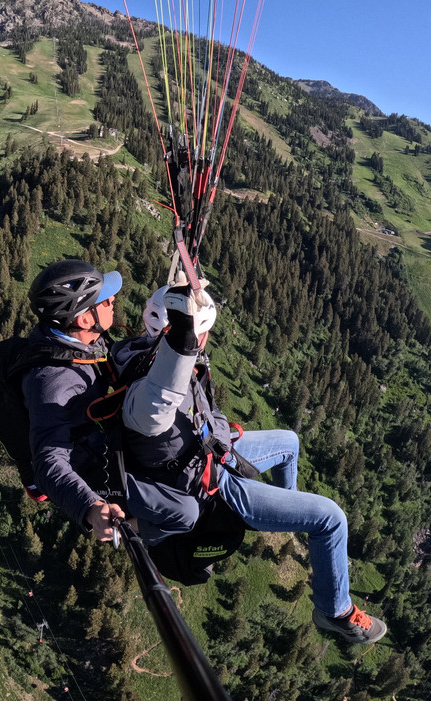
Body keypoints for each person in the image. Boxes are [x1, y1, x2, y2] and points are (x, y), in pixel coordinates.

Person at [119, 282, 388, 646]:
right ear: (193, 337)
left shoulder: (140, 352)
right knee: (331, 519)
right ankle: (334, 611)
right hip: (210, 483)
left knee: (289, 443)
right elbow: (157, 405)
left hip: (212, 446)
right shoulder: (155, 389)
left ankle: (281, 515)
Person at [20, 259, 200, 547]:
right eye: (104, 301)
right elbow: (48, 462)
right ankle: (126, 530)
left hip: (107, 437)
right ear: (84, 319)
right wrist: (91, 508)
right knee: (186, 513)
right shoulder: (53, 382)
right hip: (93, 468)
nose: (113, 301)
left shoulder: (81, 341)